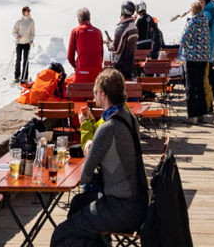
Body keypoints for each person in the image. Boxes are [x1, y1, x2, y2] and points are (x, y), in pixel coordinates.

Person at [51, 68, 148, 247]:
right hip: (139, 202)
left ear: (103, 94)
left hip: (120, 208)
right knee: (78, 204)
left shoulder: (108, 127)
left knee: (62, 233)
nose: (94, 96)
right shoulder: (130, 118)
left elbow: (85, 177)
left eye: (95, 92)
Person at [180, 0, 214, 124]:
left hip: (193, 58)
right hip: (203, 57)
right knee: (200, 86)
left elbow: (184, 39)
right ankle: (202, 114)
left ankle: (192, 115)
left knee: (190, 86)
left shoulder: (192, 22)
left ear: (193, 11)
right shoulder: (205, 22)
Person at [68, 7, 105, 84]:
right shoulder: (98, 32)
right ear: (89, 18)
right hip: (97, 74)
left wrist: (76, 67)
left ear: (79, 20)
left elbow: (70, 57)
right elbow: (101, 55)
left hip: (82, 72)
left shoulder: (76, 31)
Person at [110, 1, 141, 76]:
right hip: (130, 65)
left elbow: (116, 49)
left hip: (120, 66)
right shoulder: (134, 27)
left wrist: (109, 44)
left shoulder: (122, 28)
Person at [13, 6, 36, 85]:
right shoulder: (19, 21)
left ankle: (24, 77)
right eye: (27, 10)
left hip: (27, 43)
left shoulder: (31, 21)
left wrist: (31, 40)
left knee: (26, 61)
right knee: (18, 60)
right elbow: (14, 31)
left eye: (29, 10)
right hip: (19, 43)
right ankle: (17, 77)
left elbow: (33, 32)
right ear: (23, 12)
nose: (28, 12)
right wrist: (17, 36)